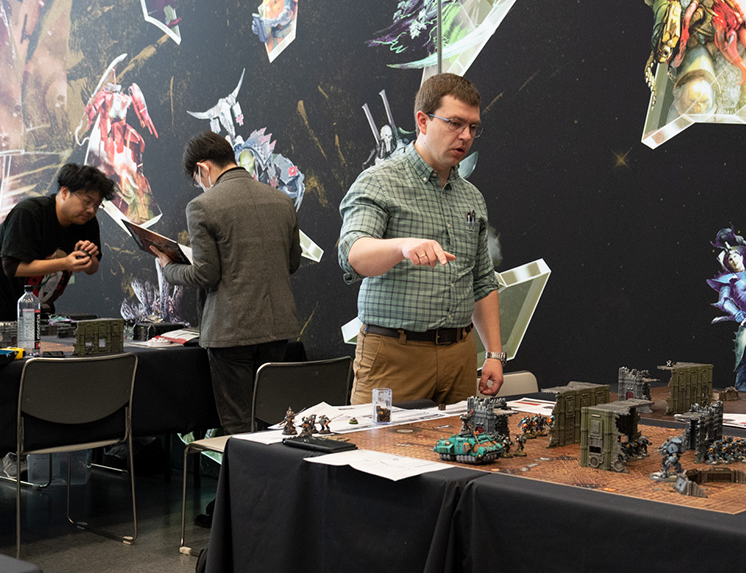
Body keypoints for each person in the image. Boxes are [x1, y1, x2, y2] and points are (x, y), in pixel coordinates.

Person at [338, 73, 504, 405]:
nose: (466, 136)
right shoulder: (379, 182)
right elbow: (353, 252)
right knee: (380, 441)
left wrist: (494, 354)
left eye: (473, 127)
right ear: (423, 121)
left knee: (461, 440)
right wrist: (402, 246)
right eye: (455, 123)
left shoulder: (472, 197)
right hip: (394, 357)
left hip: (460, 356)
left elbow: (482, 280)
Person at [153, 131, 301, 437]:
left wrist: (169, 268)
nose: (199, 185)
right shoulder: (282, 201)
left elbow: (205, 275)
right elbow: (292, 263)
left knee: (238, 425)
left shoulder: (202, 206)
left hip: (231, 331)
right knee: (270, 420)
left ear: (203, 168)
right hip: (277, 329)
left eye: (197, 178)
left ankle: (244, 470)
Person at [0, 162, 115, 319]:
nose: (91, 210)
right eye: (87, 202)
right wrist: (65, 263)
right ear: (65, 192)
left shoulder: (88, 222)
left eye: (97, 205)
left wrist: (87, 257)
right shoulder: (29, 213)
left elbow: (93, 268)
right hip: (5, 305)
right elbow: (12, 268)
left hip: (38, 309)